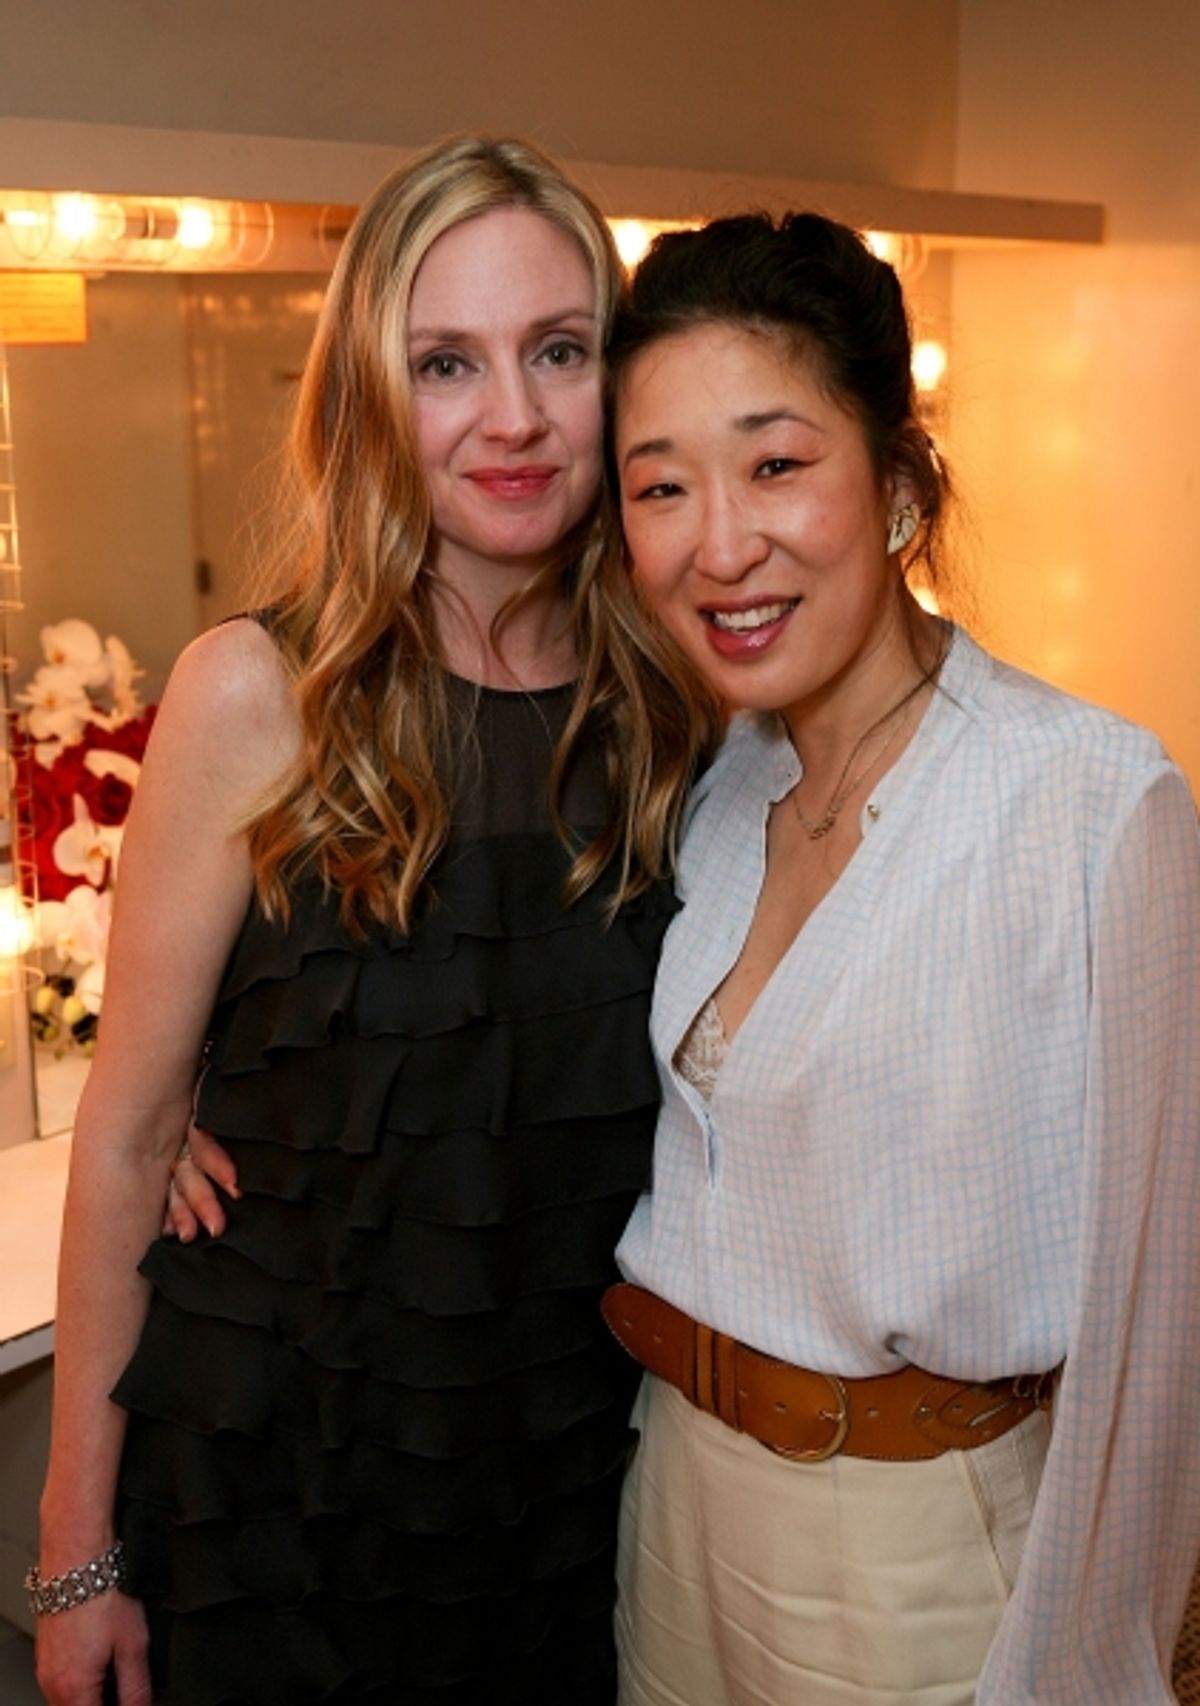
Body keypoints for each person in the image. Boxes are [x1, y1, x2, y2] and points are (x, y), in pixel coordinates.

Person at [31, 135, 715, 1706]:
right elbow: (128, 1145)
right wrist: (78, 1553)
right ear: (365, 394)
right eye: (444, 363)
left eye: (559, 350)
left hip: (570, 1487)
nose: (517, 416)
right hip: (284, 1493)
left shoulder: (679, 705)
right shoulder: (253, 695)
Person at [602, 211, 1200, 1705]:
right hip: (672, 1497)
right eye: (660, 486)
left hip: (913, 1549)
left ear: (896, 484)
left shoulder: (1086, 802)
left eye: (777, 462)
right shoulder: (721, 786)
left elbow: (1161, 1315)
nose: (719, 541)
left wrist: (1085, 1653)